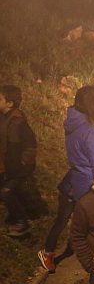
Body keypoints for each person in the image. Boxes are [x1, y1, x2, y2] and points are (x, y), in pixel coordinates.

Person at [40, 86, 94, 273]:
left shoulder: (73, 122)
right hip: (89, 185)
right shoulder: (92, 130)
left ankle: (48, 251)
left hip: (72, 181)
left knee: (63, 218)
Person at [0, 84, 37, 237]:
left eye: (0, 98)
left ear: (9, 103)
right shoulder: (4, 117)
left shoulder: (17, 122)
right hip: (7, 165)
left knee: (6, 193)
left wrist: (22, 164)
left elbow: (29, 144)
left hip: (17, 168)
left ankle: (22, 223)